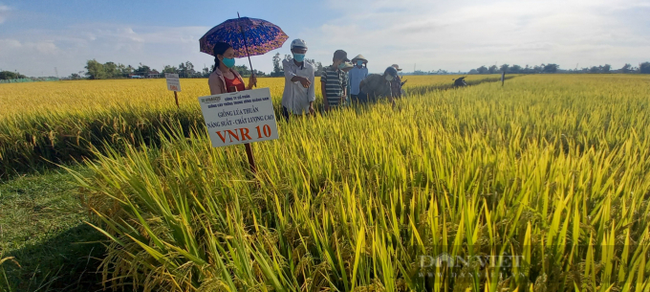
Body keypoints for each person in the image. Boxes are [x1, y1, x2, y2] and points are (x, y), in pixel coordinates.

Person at [281, 39, 316, 121]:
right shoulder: (287, 63)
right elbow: (289, 75)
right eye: (298, 51)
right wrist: (300, 78)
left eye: (302, 51)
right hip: (288, 105)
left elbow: (311, 89)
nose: (300, 53)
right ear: (292, 51)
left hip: (303, 106)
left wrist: (311, 105)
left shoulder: (310, 68)